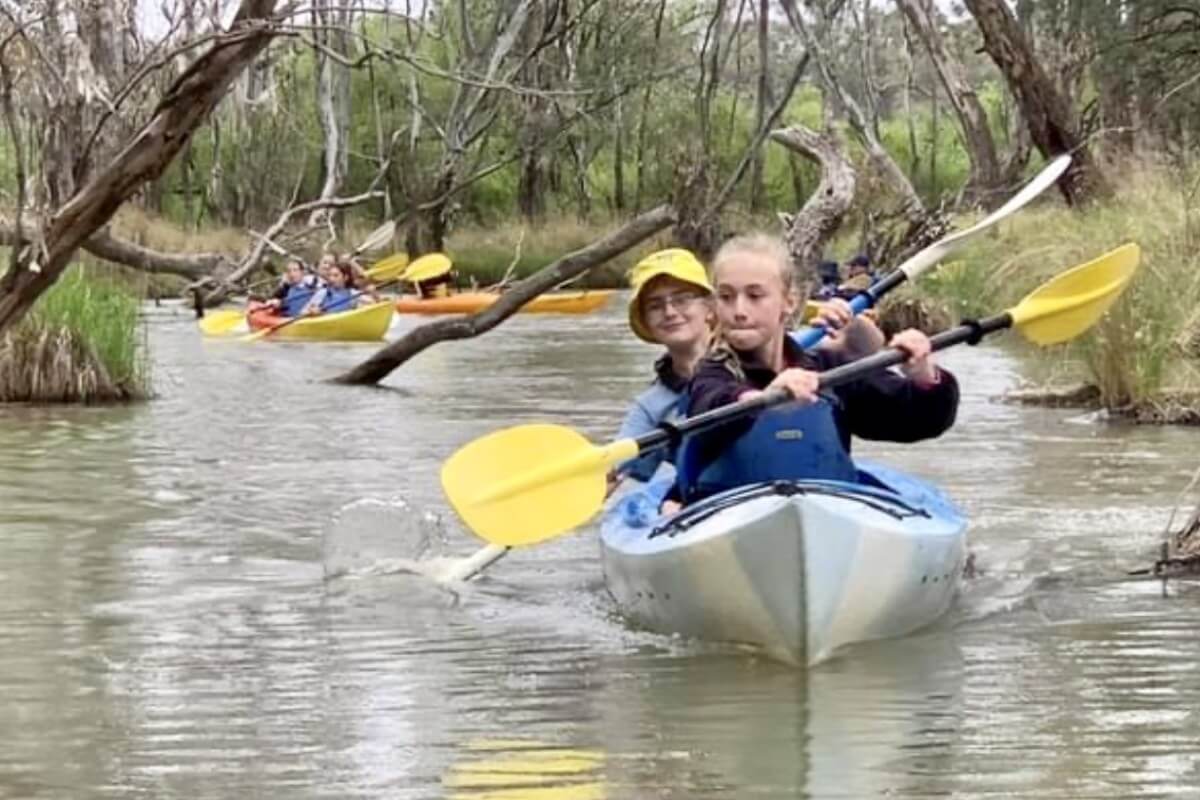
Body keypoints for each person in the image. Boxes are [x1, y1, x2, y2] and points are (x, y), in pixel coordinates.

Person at [676, 233, 958, 505]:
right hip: (727, 514)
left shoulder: (828, 368)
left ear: (789, 302)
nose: (738, 310)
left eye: (755, 295)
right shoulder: (712, 373)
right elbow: (710, 408)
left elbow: (922, 421)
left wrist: (923, 374)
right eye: (726, 297)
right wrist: (766, 400)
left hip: (825, 510)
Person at [615, 249, 716, 484]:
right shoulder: (651, 407)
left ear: (709, 308)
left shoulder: (760, 357)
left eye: (682, 299)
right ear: (647, 322)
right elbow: (614, 469)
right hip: (708, 507)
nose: (669, 312)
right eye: (655, 305)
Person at [254, 258, 320, 317]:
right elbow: (274, 299)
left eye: (295, 270)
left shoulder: (312, 285)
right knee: (256, 298)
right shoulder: (285, 289)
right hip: (290, 319)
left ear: (302, 272)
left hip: (306, 317)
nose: (292, 274)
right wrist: (276, 303)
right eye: (289, 271)